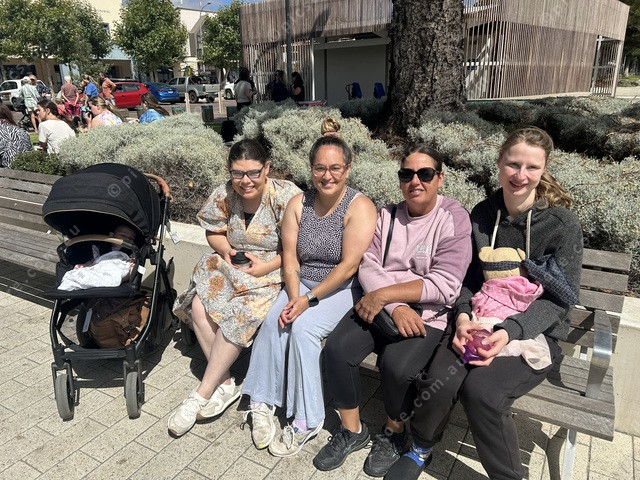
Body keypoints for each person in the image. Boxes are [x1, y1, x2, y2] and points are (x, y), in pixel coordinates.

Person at [385, 127, 583, 480]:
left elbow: (559, 299)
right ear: (499, 163)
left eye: (532, 167)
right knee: (439, 381)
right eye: (513, 164)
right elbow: (468, 279)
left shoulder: (561, 224)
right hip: (477, 318)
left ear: (544, 169)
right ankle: (420, 448)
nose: (520, 175)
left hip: (532, 332)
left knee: (481, 393)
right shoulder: (482, 214)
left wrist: (509, 332)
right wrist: (462, 317)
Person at [314, 144, 473, 475]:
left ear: (440, 178)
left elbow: (447, 285)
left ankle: (394, 433)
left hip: (426, 314)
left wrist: (388, 297)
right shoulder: (387, 215)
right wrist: (394, 304)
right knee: (338, 350)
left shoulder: (453, 218)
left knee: (397, 367)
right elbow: (368, 263)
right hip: (380, 305)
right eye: (406, 174)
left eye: (425, 174)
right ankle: (352, 431)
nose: (415, 181)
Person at [241, 117, 377, 457]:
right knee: (274, 320)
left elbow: (349, 266)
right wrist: (294, 296)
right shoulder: (298, 204)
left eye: (335, 168)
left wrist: (308, 300)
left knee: (303, 330)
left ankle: (307, 419)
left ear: (348, 169)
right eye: (319, 168)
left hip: (342, 288)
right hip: (301, 283)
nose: (327, 176)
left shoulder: (359, 206)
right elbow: (290, 257)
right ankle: (262, 400)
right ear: (311, 169)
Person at [169, 139, 301, 437]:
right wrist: (227, 251)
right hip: (232, 266)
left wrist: (265, 267)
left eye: (253, 172)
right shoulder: (226, 193)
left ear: (267, 168)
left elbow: (299, 248)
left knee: (240, 314)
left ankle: (202, 392)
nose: (245, 181)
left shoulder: (286, 196)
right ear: (229, 170)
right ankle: (226, 383)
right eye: (237, 173)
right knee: (199, 305)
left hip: (270, 272)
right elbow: (213, 231)